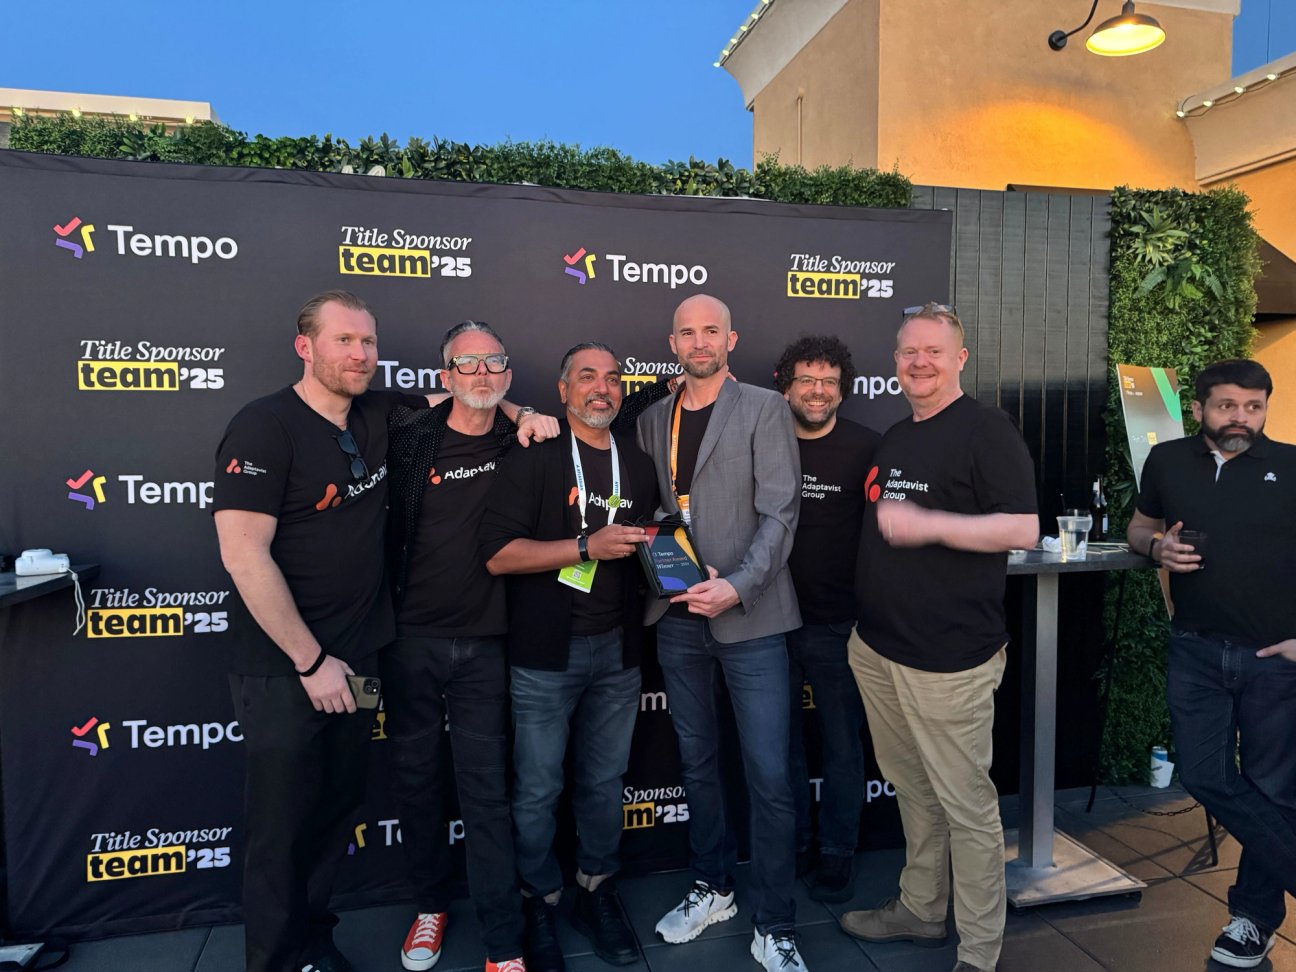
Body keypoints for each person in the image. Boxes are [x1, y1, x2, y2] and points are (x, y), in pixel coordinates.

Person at [213, 293, 552, 972]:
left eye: (368, 343)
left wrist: (527, 413)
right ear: (305, 346)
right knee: (287, 828)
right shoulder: (264, 426)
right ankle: (285, 959)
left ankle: (326, 943)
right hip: (295, 665)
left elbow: (476, 394)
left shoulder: (381, 413)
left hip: (366, 655)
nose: (360, 355)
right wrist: (311, 663)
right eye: (344, 341)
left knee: (338, 811)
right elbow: (243, 554)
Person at [839, 303, 1038, 972]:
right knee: (914, 791)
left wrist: (929, 525)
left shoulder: (987, 429)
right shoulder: (896, 435)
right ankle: (922, 911)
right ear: (893, 362)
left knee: (967, 808)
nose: (917, 361)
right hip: (878, 649)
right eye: (906, 352)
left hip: (948, 660)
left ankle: (979, 953)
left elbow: (1022, 529)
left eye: (932, 350)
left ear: (959, 359)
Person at [638, 295, 809, 972]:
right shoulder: (654, 418)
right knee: (697, 763)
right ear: (672, 341)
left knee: (768, 775)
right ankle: (714, 888)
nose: (699, 340)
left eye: (711, 329)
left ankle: (775, 923)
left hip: (753, 616)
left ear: (730, 338)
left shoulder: (766, 408)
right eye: (687, 331)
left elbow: (781, 513)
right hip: (678, 619)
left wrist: (736, 584)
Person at [481, 343, 663, 972]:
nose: (603, 388)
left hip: (618, 651)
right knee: (536, 789)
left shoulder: (637, 464)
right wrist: (584, 545)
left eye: (613, 378)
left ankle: (596, 889)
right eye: (587, 377)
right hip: (544, 655)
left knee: (605, 781)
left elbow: (653, 549)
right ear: (562, 390)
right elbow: (499, 555)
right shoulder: (532, 457)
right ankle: (538, 896)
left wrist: (683, 566)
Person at [1126, 358, 1296, 970]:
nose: (1241, 419)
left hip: (1275, 658)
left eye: (1254, 408)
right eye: (1228, 407)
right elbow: (1138, 527)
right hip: (1196, 649)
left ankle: (1252, 920)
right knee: (1204, 775)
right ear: (1199, 408)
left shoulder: (1293, 466)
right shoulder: (1167, 460)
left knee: (1274, 789)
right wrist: (1155, 546)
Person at [382, 321, 533, 972]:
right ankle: (429, 907)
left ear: (507, 373)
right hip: (406, 639)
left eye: (492, 363)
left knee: (486, 792)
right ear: (442, 378)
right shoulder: (407, 435)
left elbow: (604, 412)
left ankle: (503, 943)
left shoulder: (523, 439)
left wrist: (527, 413)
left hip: (487, 642)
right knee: (416, 783)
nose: (480, 374)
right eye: (465, 366)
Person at [773, 335, 879, 903]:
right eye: (806, 380)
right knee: (780, 747)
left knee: (842, 746)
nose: (817, 392)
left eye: (828, 382)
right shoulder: (761, 440)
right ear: (784, 385)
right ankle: (793, 845)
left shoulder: (868, 446)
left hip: (840, 623)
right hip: (767, 623)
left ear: (842, 389)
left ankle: (838, 851)